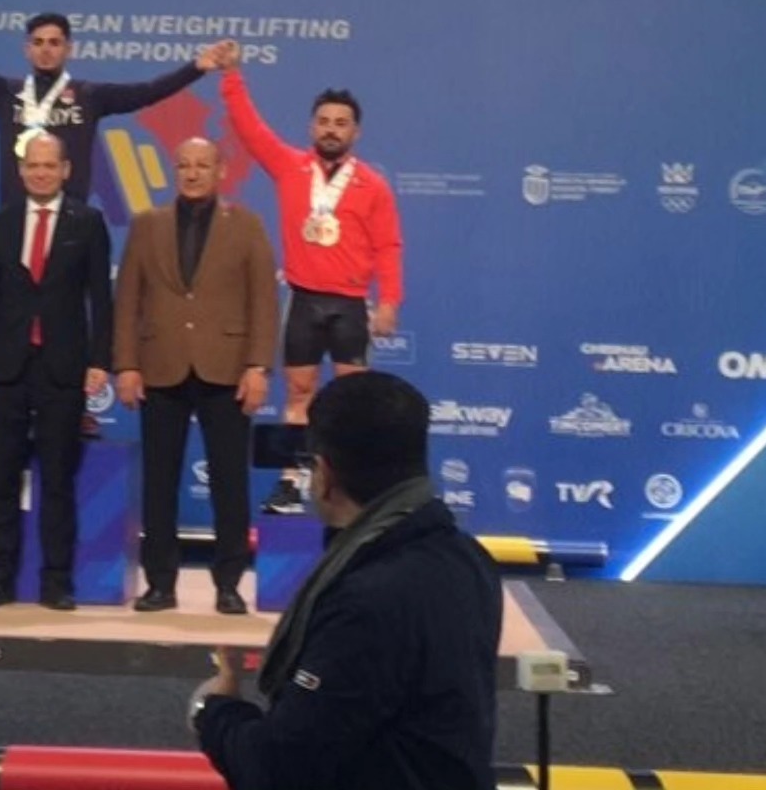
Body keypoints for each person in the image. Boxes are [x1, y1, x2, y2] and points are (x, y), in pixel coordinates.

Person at [189, 372, 502, 790]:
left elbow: (278, 769)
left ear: (323, 474)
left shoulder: (367, 601)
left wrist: (214, 709)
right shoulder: (470, 559)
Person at [217, 43, 403, 511]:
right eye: (324, 121)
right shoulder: (290, 167)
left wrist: (388, 302)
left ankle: (352, 486)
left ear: (355, 132)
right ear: (311, 127)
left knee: (352, 400)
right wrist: (232, 76)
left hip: (350, 305)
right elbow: (250, 129)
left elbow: (388, 247)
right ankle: (291, 483)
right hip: (303, 301)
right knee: (299, 393)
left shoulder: (373, 186)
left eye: (341, 123)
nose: (331, 129)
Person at [113, 137, 277, 615]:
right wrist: (126, 364)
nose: (192, 173)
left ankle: (228, 584)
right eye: (184, 164)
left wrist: (258, 366)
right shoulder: (147, 224)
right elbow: (128, 300)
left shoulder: (246, 224)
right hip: (160, 366)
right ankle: (160, 584)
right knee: (159, 481)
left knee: (229, 481)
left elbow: (264, 301)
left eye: (202, 165)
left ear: (220, 171)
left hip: (226, 368)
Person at [0, 0, 228, 206]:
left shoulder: (90, 96)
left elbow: (147, 93)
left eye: (54, 42)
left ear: (69, 49)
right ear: (27, 49)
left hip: (72, 222)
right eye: (38, 42)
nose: (46, 49)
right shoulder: (5, 93)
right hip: (14, 219)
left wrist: (196, 68)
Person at [0, 134, 113, 611]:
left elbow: (100, 297)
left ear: (66, 170)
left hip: (62, 367)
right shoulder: (1, 221)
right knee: (1, 479)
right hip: (7, 366)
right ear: (22, 170)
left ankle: (56, 583)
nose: (41, 173)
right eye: (33, 165)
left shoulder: (87, 221)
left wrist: (100, 360)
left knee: (57, 481)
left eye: (50, 165)